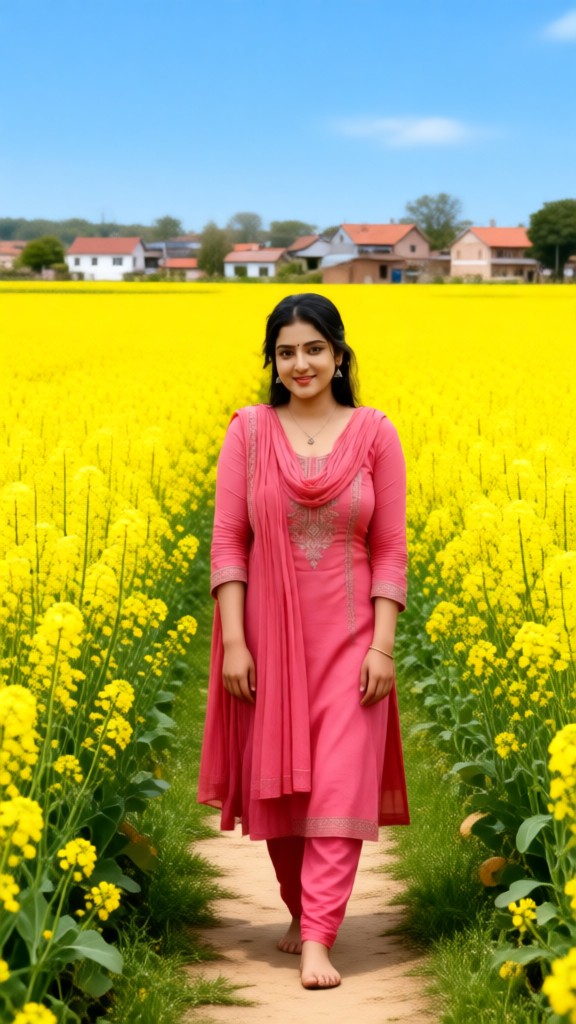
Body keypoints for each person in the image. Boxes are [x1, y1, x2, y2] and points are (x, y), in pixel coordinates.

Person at [198, 292, 409, 989]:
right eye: (286, 352)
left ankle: (320, 935)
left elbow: (391, 551)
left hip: (352, 639)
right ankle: (296, 907)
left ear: (339, 354)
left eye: (313, 349)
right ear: (274, 361)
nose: (301, 363)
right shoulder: (249, 432)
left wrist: (383, 646)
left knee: (340, 781)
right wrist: (234, 641)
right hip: (267, 637)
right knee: (284, 791)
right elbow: (229, 542)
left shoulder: (376, 433)